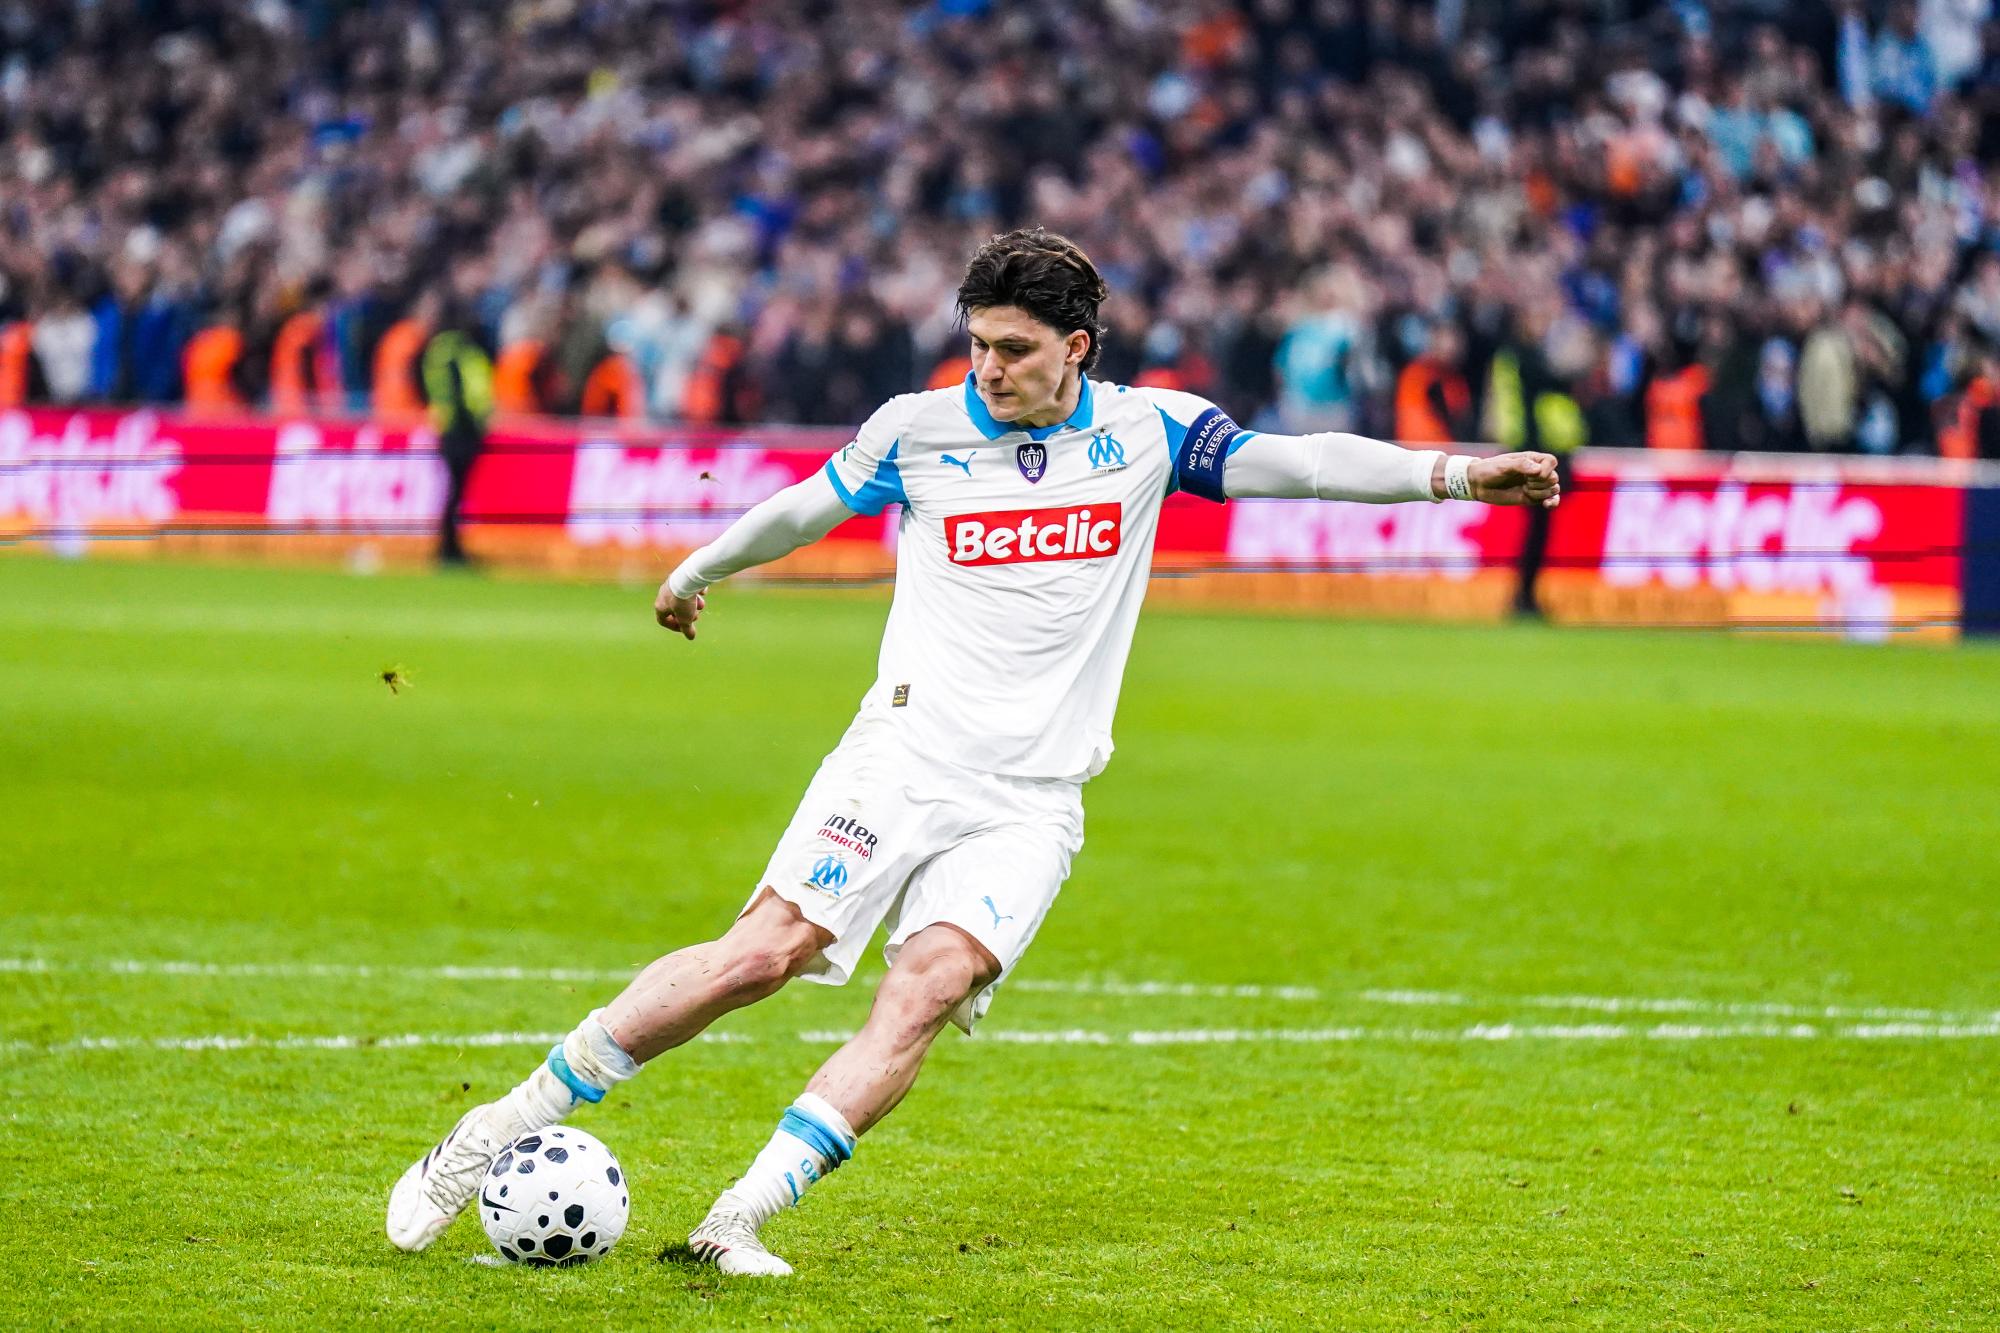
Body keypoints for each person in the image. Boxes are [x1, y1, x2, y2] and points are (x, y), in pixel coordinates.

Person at [384, 229, 1561, 1275]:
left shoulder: (1148, 432)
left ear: (1075, 347)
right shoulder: (922, 429)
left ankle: (733, 1221)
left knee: (925, 990)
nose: (984, 369)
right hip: (899, 756)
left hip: (1031, 797)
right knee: (765, 953)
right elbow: (809, 504)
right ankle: (485, 1134)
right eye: (976, 345)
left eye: (1008, 348)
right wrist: (700, 568)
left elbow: (1300, 460)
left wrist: (1454, 474)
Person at [420, 302, 494, 566]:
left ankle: (448, 546)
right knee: (455, 491)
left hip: (447, 426)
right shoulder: (459, 349)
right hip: (461, 429)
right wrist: (475, 424)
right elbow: (466, 391)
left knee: (452, 491)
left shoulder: (439, 349)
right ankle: (449, 548)